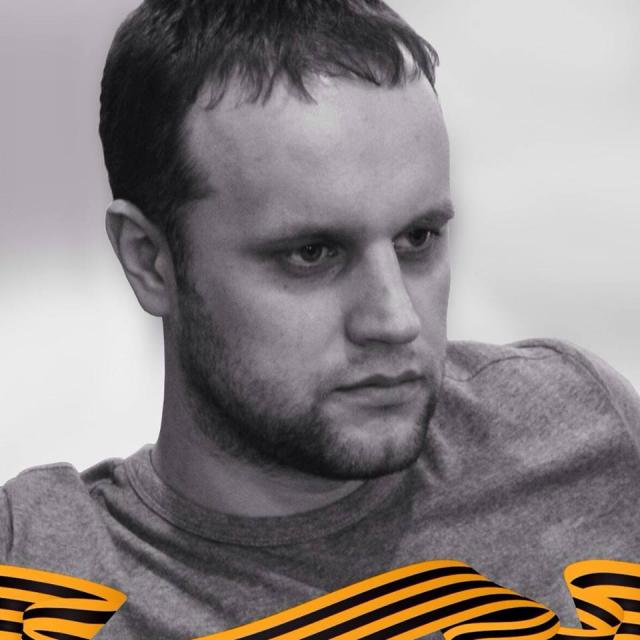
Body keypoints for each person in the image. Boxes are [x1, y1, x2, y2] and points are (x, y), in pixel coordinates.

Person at [2, 1, 640, 638]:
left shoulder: (583, 432)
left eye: (418, 239)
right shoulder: (35, 580)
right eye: (312, 253)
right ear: (150, 261)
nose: (395, 320)